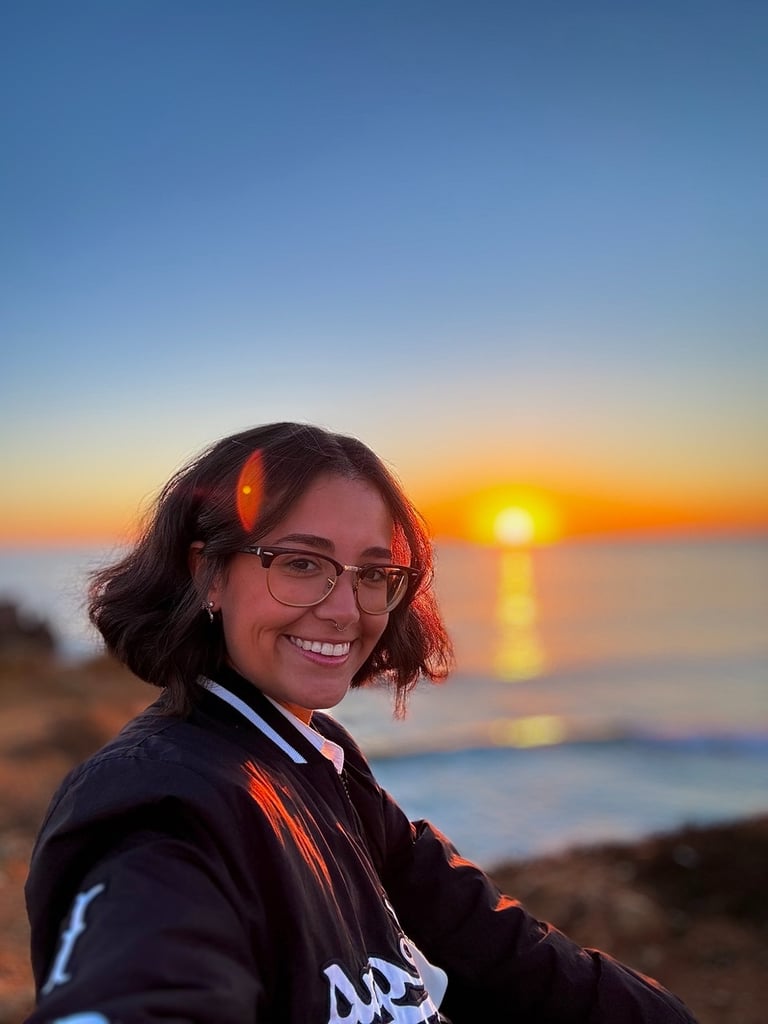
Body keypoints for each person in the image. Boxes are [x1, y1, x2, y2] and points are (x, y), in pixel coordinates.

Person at [24, 422, 698, 1024]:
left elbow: (507, 953)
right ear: (210, 574)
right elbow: (146, 982)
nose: (346, 609)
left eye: (373, 574)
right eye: (300, 563)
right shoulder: (157, 803)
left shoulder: (324, 766)